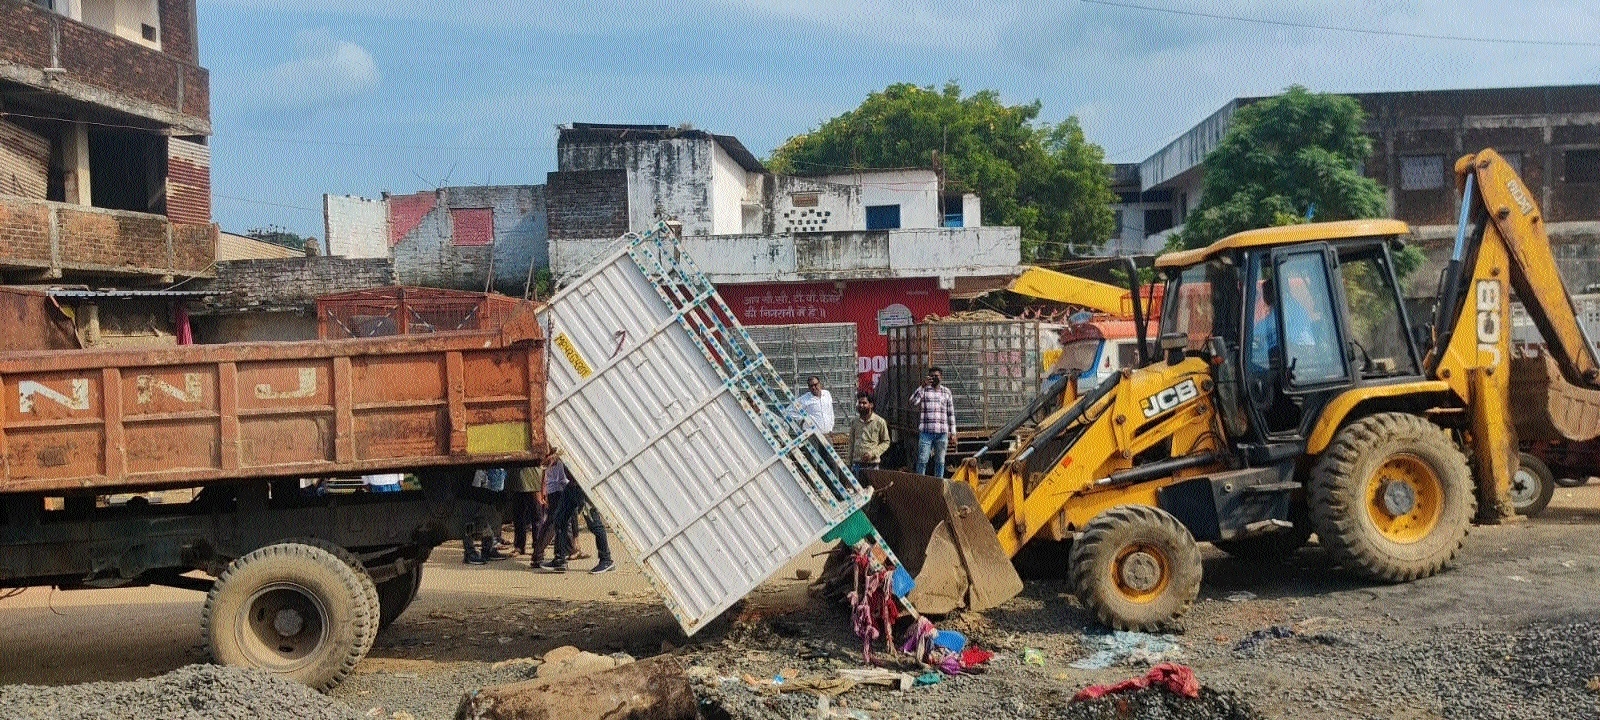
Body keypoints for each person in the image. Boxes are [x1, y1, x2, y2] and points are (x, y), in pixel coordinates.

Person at [537, 455, 615, 574]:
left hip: (584, 487)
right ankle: (560, 560)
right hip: (571, 486)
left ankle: (606, 559)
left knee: (594, 525)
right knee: (559, 521)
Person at [910, 366, 956, 478]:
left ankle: (938, 483)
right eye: (932, 376)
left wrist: (953, 432)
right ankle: (920, 482)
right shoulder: (924, 390)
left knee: (940, 461)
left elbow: (951, 413)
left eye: (937, 376)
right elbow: (912, 402)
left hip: (942, 433)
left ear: (941, 378)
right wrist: (922, 386)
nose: (934, 378)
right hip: (926, 433)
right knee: (922, 459)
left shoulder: (946, 392)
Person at [463, 468, 510, 565]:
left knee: (483, 516)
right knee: (469, 517)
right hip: (468, 482)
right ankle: (469, 552)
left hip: (482, 479)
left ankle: (487, 548)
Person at [847, 391, 891, 476]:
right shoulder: (855, 422)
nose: (861, 405)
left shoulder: (879, 422)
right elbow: (851, 443)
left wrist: (872, 453)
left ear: (871, 405)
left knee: (871, 489)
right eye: (860, 403)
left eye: (864, 403)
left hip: (872, 465)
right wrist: (848, 463)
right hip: (857, 465)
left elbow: (886, 442)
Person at [507, 465, 541, 557]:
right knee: (518, 515)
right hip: (516, 479)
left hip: (534, 479)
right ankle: (519, 546)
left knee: (536, 515)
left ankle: (538, 546)